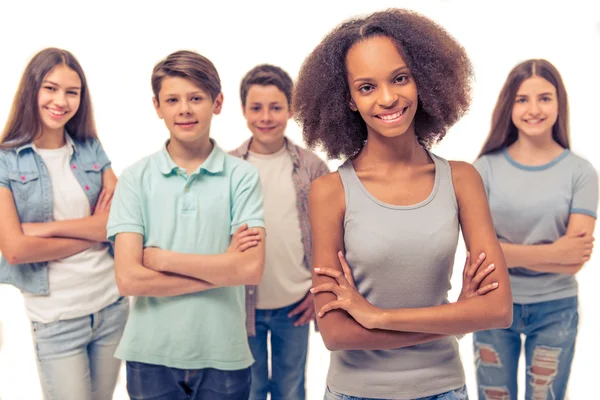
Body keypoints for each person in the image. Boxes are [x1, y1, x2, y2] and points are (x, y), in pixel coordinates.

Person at [293, 9, 513, 399]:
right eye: (366, 87)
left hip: (443, 389)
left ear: (422, 80)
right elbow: (336, 332)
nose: (388, 98)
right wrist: (456, 318)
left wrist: (379, 317)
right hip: (354, 392)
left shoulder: (461, 180)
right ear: (347, 100)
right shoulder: (329, 192)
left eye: (399, 78)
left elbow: (497, 309)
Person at [107, 50, 266, 400]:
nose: (185, 109)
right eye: (173, 100)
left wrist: (163, 260)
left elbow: (250, 269)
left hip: (224, 353)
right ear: (157, 107)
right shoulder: (135, 179)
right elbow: (128, 278)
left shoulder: (242, 177)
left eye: (196, 98)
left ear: (218, 102)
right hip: (149, 354)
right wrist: (221, 269)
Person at [0, 47, 127, 400]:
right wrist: (92, 229)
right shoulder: (5, 163)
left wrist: (44, 230)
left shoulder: (90, 148)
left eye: (72, 92)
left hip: (110, 306)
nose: (61, 100)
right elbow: (14, 250)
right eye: (51, 88)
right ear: (32, 91)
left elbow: (118, 224)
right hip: (56, 318)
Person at [472, 59, 598, 400]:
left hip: (556, 308)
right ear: (508, 106)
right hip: (493, 303)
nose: (534, 109)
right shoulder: (484, 170)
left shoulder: (581, 172)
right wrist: (553, 253)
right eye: (522, 99)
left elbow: (574, 260)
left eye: (544, 98)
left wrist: (505, 253)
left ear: (559, 103)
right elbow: (478, 254)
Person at [230, 64, 329, 400]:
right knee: (251, 388)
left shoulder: (312, 167)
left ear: (291, 109)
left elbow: (334, 236)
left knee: (290, 387)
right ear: (243, 110)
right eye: (256, 108)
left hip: (295, 303)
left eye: (276, 107)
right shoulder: (227, 167)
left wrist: (319, 290)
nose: (266, 117)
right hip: (244, 305)